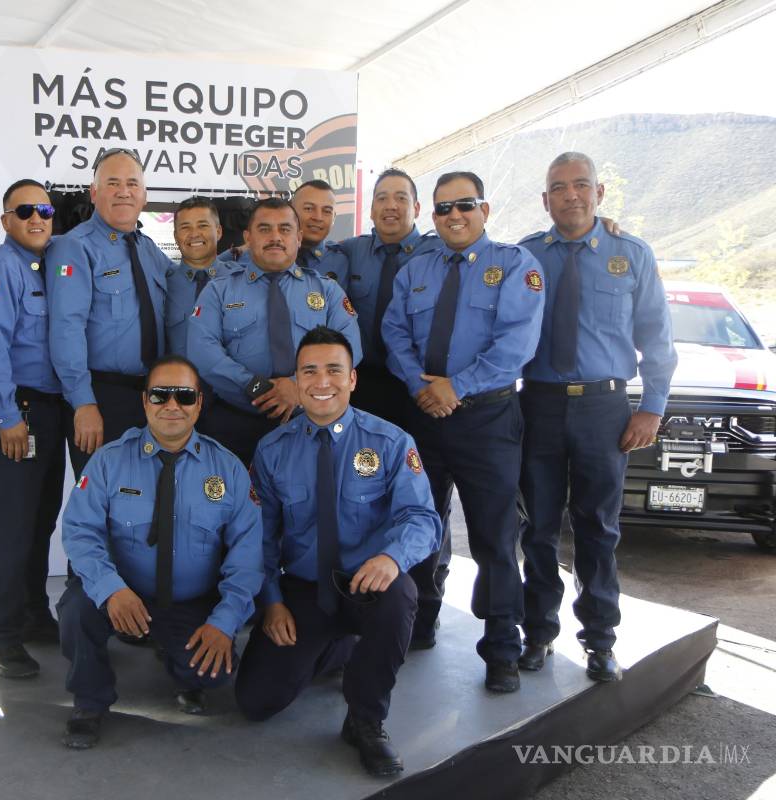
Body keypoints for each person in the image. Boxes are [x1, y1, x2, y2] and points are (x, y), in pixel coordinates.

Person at [234, 326, 440, 777]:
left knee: (400, 597)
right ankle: (336, 648)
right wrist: (270, 603)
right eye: (309, 371)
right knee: (255, 702)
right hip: (305, 590)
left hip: (368, 586)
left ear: (352, 380)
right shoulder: (272, 451)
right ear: (296, 380)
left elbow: (423, 520)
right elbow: (260, 538)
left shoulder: (390, 442)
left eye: (333, 370)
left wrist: (391, 558)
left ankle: (366, 722)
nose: (321, 381)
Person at [382, 171, 544, 693]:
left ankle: (501, 647)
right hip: (424, 416)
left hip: (487, 420)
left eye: (465, 205)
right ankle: (420, 622)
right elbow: (394, 332)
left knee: (494, 537)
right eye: (443, 208)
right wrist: (419, 386)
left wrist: (457, 386)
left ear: (485, 209)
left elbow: (516, 344)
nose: (454, 216)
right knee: (420, 525)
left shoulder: (516, 266)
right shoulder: (416, 270)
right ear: (432, 216)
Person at [517, 152, 676, 682]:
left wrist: (652, 406)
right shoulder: (525, 256)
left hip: (604, 409)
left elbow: (656, 337)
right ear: (545, 200)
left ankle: (600, 640)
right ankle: (537, 633)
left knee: (598, 528)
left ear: (599, 193)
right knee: (536, 527)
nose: (570, 195)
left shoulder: (631, 254)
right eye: (558, 187)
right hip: (537, 403)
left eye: (580, 185)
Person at [57, 355, 262, 749]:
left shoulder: (229, 470)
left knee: (213, 675)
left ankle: (176, 661)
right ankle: (90, 700)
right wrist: (111, 589)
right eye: (160, 395)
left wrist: (224, 621)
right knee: (75, 611)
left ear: (199, 404)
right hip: (124, 595)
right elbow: (80, 531)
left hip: (189, 601)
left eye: (184, 396)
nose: (172, 405)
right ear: (145, 402)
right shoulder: (108, 461)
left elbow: (247, 555)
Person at [0, 179, 65, 678]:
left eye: (45, 210)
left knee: (39, 521)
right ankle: (0, 636)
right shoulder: (0, 269)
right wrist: (9, 417)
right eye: (24, 210)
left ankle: (32, 614)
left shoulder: (50, 269)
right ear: (5, 220)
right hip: (17, 414)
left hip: (50, 413)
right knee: (11, 528)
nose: (36, 218)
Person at [187, 198, 362, 465]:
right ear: (248, 237)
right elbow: (202, 350)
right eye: (265, 229)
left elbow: (350, 349)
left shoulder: (326, 290)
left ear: (299, 237)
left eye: (285, 229)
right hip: (236, 423)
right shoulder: (219, 290)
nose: (275, 237)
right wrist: (257, 387)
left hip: (310, 420)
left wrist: (296, 386)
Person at [47, 148, 168, 476]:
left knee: (147, 501)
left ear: (144, 195)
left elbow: (187, 283)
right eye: (112, 183)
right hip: (102, 398)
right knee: (102, 504)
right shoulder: (74, 247)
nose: (124, 191)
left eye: (132, 183)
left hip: (151, 398)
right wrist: (83, 403)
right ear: (94, 192)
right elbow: (65, 329)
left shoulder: (148, 248)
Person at [316, 169, 442, 425]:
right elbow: (303, 253)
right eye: (382, 199)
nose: (391, 206)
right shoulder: (351, 250)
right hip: (364, 383)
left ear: (417, 208)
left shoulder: (439, 254)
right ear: (371, 210)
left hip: (421, 384)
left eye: (401, 198)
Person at [164, 197, 239, 358]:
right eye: (185, 227)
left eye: (203, 226)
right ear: (176, 236)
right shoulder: (162, 284)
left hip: (230, 381)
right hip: (178, 380)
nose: (194, 234)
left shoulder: (241, 281)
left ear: (218, 232)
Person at [289, 180, 340, 275]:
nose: (318, 218)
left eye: (327, 211)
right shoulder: (267, 256)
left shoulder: (345, 260)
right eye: (309, 208)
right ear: (290, 211)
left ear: (334, 218)